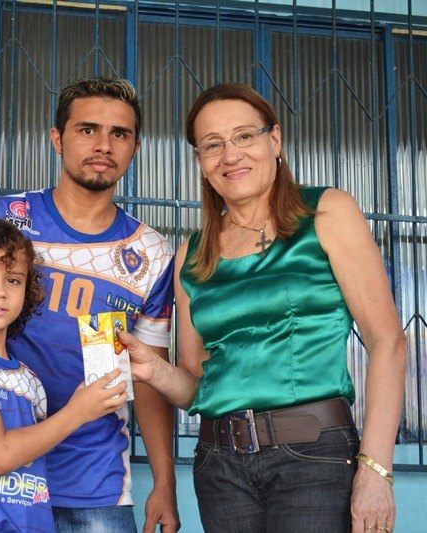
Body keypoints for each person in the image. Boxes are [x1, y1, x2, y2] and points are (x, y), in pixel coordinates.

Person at [121, 82, 406, 533]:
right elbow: (198, 384)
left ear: (275, 140)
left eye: (244, 136)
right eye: (212, 144)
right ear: (201, 161)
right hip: (219, 466)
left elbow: (388, 341)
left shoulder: (327, 212)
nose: (230, 155)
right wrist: (154, 371)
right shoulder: (190, 256)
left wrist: (376, 470)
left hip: (314, 457)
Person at [0, 77, 179, 532]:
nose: (103, 145)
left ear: (135, 146)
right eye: (87, 130)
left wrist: (164, 482)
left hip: (95, 485)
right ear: (57, 138)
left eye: (119, 133)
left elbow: (151, 376)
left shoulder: (153, 252)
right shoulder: (0, 220)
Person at [0, 218, 128, 532]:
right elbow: (0, 455)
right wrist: (78, 411)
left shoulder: (29, 378)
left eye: (13, 280)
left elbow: (32, 448)